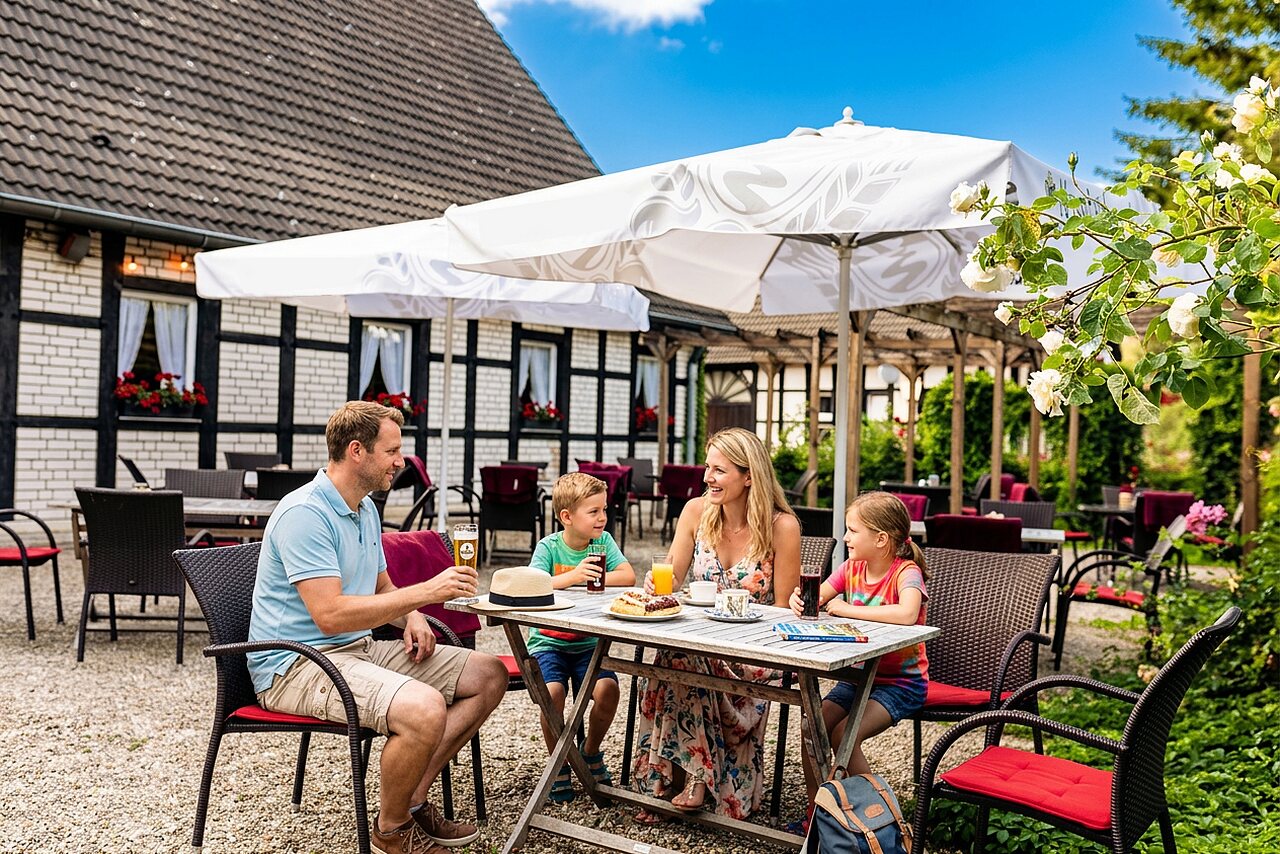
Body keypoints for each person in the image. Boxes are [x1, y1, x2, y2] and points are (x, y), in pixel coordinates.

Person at [247, 401, 508, 854]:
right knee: (424, 708)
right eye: (392, 450)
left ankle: (410, 800)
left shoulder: (364, 508)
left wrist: (410, 617)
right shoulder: (304, 514)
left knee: (489, 675)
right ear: (356, 451)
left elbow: (381, 583)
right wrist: (424, 594)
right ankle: (392, 833)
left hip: (354, 649)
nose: (400, 461)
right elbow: (329, 614)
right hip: (297, 664)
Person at [632, 427, 801, 823]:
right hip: (698, 643)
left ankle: (678, 775)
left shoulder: (782, 528)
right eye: (707, 467)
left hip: (753, 653)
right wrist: (655, 583)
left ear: (749, 476)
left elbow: (782, 611)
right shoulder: (695, 511)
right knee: (679, 653)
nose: (707, 477)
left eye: (719, 470)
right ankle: (689, 774)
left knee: (679, 657)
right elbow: (670, 577)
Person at [788, 490, 929, 831]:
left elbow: (908, 613)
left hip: (900, 684)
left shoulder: (905, 572)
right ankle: (817, 817)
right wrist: (800, 598)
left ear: (881, 539)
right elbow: (819, 596)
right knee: (813, 726)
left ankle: (883, 822)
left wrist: (848, 609)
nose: (846, 537)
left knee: (841, 735)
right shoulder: (852, 568)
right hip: (856, 678)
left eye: (852, 530)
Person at [526, 472, 636, 802]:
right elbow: (532, 584)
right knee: (552, 693)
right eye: (594, 512)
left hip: (589, 642)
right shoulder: (549, 547)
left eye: (604, 510)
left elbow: (628, 575)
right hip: (549, 642)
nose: (602, 517)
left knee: (608, 690)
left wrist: (599, 575)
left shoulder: (603, 544)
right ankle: (559, 761)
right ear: (567, 517)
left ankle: (589, 751)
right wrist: (573, 576)